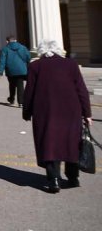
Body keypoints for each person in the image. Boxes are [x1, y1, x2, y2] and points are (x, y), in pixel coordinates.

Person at [22, 38, 93, 193]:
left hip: (45, 112)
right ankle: (73, 177)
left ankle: (54, 180)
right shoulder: (71, 64)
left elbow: (29, 93)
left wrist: (27, 112)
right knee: (71, 142)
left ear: (41, 51)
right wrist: (87, 113)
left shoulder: (35, 66)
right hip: (71, 111)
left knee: (49, 143)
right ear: (58, 49)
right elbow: (81, 90)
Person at [0, 35, 31, 107]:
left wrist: (0, 71)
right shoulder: (23, 47)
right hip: (21, 70)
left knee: (12, 85)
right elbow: (28, 57)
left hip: (10, 71)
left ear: (7, 41)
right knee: (20, 85)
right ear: (15, 40)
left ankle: (11, 100)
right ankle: (21, 102)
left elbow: (2, 61)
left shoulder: (5, 49)